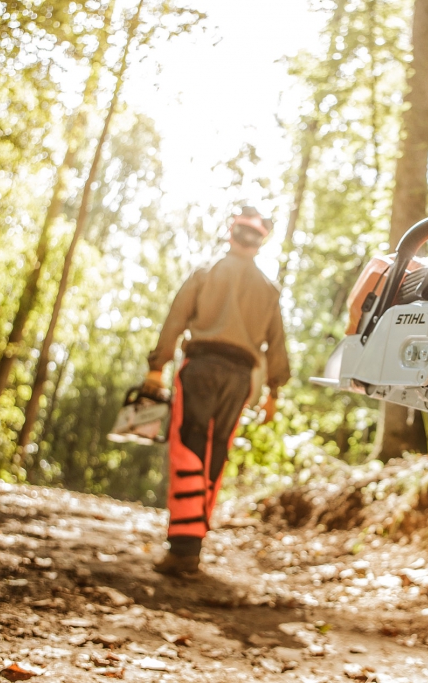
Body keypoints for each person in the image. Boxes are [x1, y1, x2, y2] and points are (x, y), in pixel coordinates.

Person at [145, 206, 291, 577]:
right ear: (259, 243)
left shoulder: (205, 273)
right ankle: (192, 542)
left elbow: (176, 319)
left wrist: (156, 367)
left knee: (188, 450)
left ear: (231, 233)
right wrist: (273, 392)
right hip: (239, 378)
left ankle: (184, 549)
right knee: (215, 452)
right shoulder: (268, 290)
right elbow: (276, 346)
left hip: (201, 368)